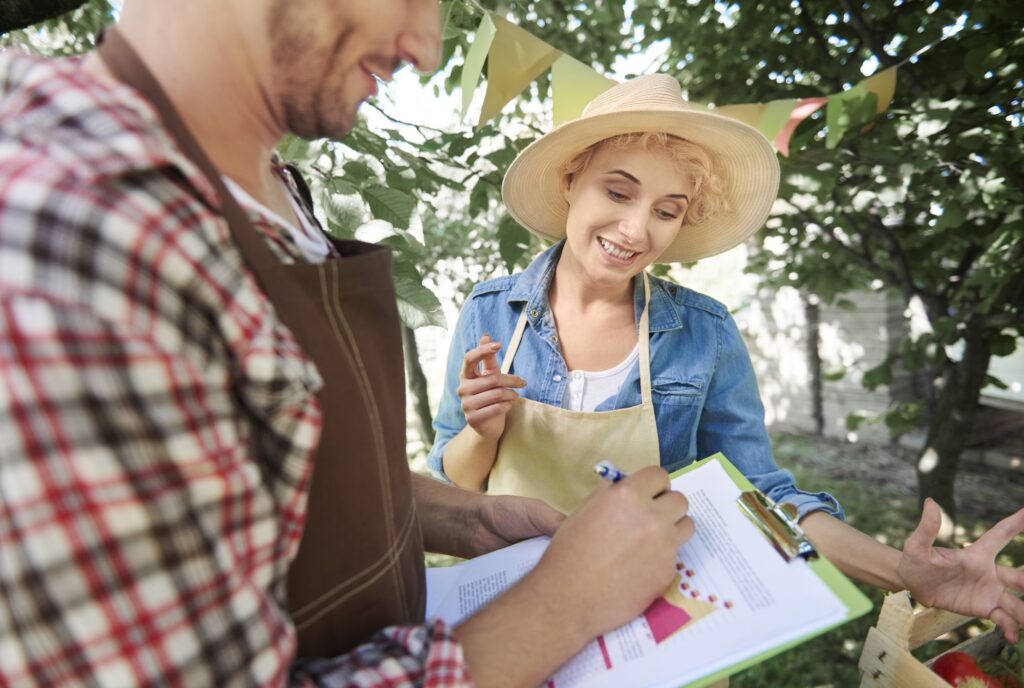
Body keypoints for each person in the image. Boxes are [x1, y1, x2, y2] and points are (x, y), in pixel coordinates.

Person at [0, 2, 695, 686]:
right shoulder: (75, 238)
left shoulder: (259, 185)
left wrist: (469, 518)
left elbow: (278, 480)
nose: (426, 47)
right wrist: (562, 603)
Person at [428, 75, 1024, 641]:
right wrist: (482, 433)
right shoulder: (490, 312)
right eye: (617, 191)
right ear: (569, 180)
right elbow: (452, 484)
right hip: (513, 612)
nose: (636, 229)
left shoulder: (703, 332)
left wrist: (905, 572)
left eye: (667, 210)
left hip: (652, 618)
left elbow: (758, 496)